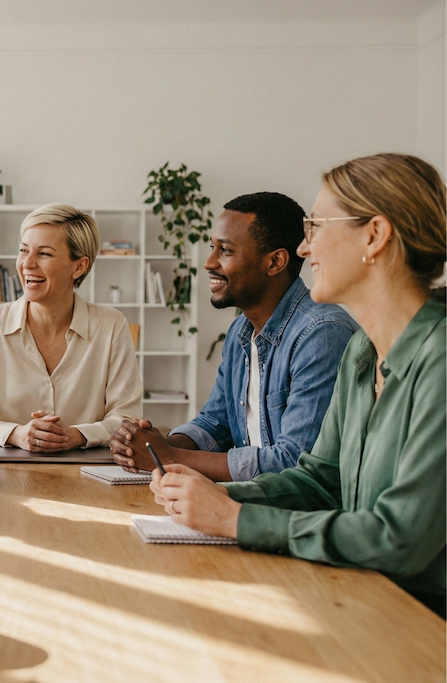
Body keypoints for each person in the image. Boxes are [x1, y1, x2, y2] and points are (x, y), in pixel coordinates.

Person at [149, 153, 446, 618]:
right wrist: (214, 497)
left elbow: (399, 539)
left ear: (375, 235)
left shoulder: (440, 358)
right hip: (360, 594)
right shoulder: (363, 353)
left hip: (422, 620)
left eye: (316, 228)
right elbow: (321, 480)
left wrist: (234, 518)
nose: (304, 251)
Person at [110, 192, 357, 481]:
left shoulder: (321, 334)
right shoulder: (241, 331)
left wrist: (171, 458)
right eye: (212, 247)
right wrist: (154, 447)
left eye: (225, 251)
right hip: (250, 499)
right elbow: (216, 423)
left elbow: (295, 463)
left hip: (292, 514)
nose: (209, 262)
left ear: (275, 262)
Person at [0, 204, 141, 451]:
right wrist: (16, 434)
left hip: (87, 475)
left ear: (79, 266)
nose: (27, 264)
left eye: (44, 254)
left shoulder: (111, 325)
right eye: (23, 250)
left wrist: (77, 435)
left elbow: (127, 419)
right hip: (7, 475)